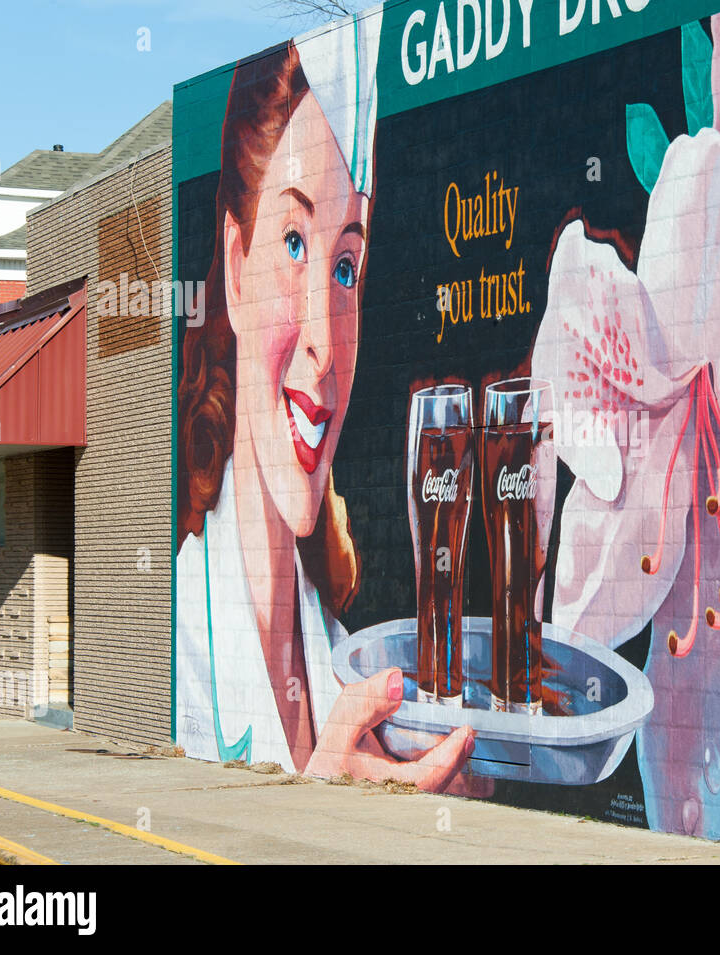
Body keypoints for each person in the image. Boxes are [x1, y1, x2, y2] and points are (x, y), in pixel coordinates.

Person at [174, 16, 474, 791]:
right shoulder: (172, 646)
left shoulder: (350, 667)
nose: (326, 344)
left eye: (346, 265)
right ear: (235, 270)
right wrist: (322, 810)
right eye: (294, 243)